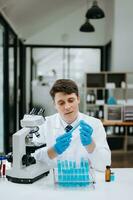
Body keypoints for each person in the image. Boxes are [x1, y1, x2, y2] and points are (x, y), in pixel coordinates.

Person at [34, 79, 111, 172]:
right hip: (53, 181)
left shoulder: (95, 124)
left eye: (71, 100)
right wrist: (53, 151)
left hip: (85, 181)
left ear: (78, 99)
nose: (67, 107)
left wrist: (91, 145)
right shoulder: (45, 124)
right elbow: (31, 158)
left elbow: (105, 165)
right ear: (55, 105)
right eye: (61, 103)